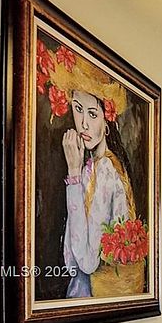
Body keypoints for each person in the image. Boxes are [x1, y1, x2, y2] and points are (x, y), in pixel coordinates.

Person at [47, 52, 136, 297]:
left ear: (107, 123)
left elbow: (86, 261)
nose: (83, 123)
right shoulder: (97, 165)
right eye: (78, 109)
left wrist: (73, 173)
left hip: (91, 292)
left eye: (93, 114)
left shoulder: (105, 169)